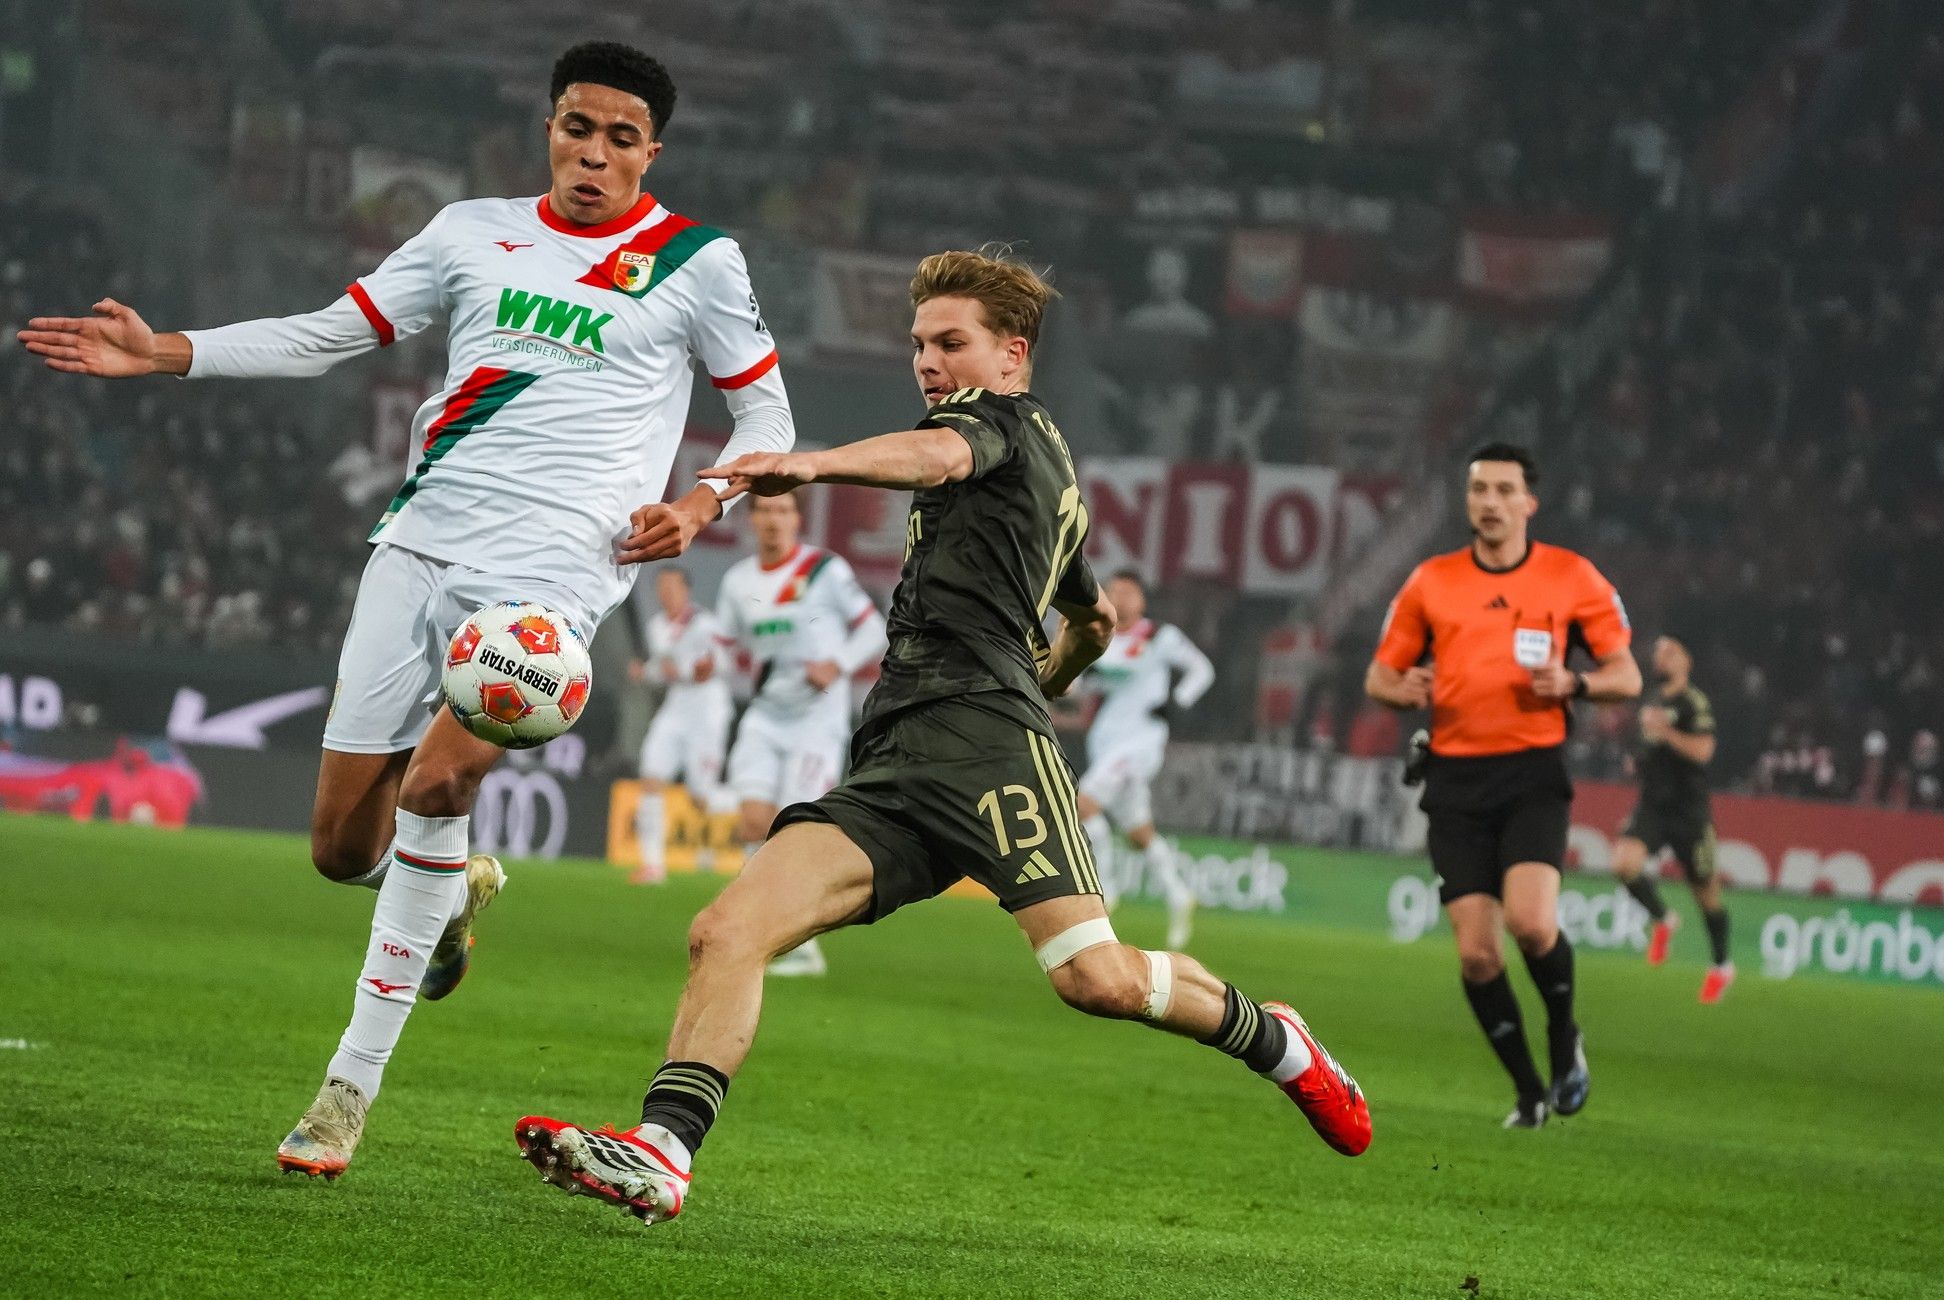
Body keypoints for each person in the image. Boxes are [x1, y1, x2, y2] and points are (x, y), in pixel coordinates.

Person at [18, 41, 792, 1179]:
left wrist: (703, 501)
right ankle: (448, 892)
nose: (594, 151)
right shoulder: (469, 230)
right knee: (340, 847)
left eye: (622, 137)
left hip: (559, 575)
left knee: (440, 782)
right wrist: (169, 351)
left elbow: (765, 417)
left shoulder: (696, 261)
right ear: (549, 129)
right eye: (578, 126)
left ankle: (344, 1093)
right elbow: (332, 332)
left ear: (651, 152)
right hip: (419, 545)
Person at [513, 248, 1371, 1224]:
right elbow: (1089, 620)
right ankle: (663, 1150)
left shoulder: (1005, 425)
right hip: (898, 754)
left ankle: (1281, 1040)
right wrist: (1050, 673)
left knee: (1095, 977)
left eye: (949, 342)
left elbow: (938, 454)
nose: (927, 359)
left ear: (1011, 355)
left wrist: (812, 461)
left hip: (984, 741)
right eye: (918, 343)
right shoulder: (1042, 492)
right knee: (726, 928)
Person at [1366, 444, 1640, 1130]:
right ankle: (1528, 1092)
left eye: (1502, 489)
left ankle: (1563, 1034)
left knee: (1530, 922)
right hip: (1454, 777)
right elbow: (1379, 677)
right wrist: (1403, 689)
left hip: (1531, 773)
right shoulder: (1432, 581)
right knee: (1477, 952)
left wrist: (1575, 682)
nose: (1488, 501)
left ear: (1529, 503)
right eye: (1478, 488)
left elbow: (1626, 676)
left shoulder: (1570, 576)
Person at [711, 491, 887, 976]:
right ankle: (755, 929)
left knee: (794, 831)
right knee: (751, 822)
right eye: (765, 510)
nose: (774, 520)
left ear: (797, 520)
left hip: (816, 720)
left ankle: (802, 945)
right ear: (752, 520)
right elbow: (726, 648)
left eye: (784, 510)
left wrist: (840, 664)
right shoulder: (737, 581)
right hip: (765, 714)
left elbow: (874, 629)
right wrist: (724, 666)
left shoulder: (823, 570)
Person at [1076, 571, 1216, 948]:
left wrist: (1177, 702)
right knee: (1138, 832)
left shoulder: (1160, 637)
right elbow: (1082, 684)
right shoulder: (1099, 638)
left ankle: (1106, 890)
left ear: (1142, 600)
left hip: (1141, 741)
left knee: (1082, 803)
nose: (1119, 599)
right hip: (1107, 739)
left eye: (1128, 592)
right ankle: (1178, 895)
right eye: (1113, 591)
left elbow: (1202, 669)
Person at [1613, 635, 1735, 1003]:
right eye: (1658, 652)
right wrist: (1637, 762)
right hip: (1653, 806)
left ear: (1687, 661)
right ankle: (1663, 919)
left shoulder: (1692, 703)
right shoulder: (1652, 702)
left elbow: (1703, 751)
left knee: (1706, 894)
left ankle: (1721, 966)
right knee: (1624, 864)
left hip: (1689, 812)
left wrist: (1665, 733)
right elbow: (1650, 751)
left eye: (1670, 652)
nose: (1661, 658)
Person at [629, 567, 735, 884]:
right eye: (661, 586)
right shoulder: (657, 627)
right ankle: (653, 866)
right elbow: (663, 671)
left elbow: (724, 663)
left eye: (672, 586)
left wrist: (695, 669)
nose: (666, 592)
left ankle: (748, 805)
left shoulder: (706, 624)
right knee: (650, 776)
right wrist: (645, 673)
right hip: (675, 709)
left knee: (700, 797)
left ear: (686, 589)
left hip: (707, 712)